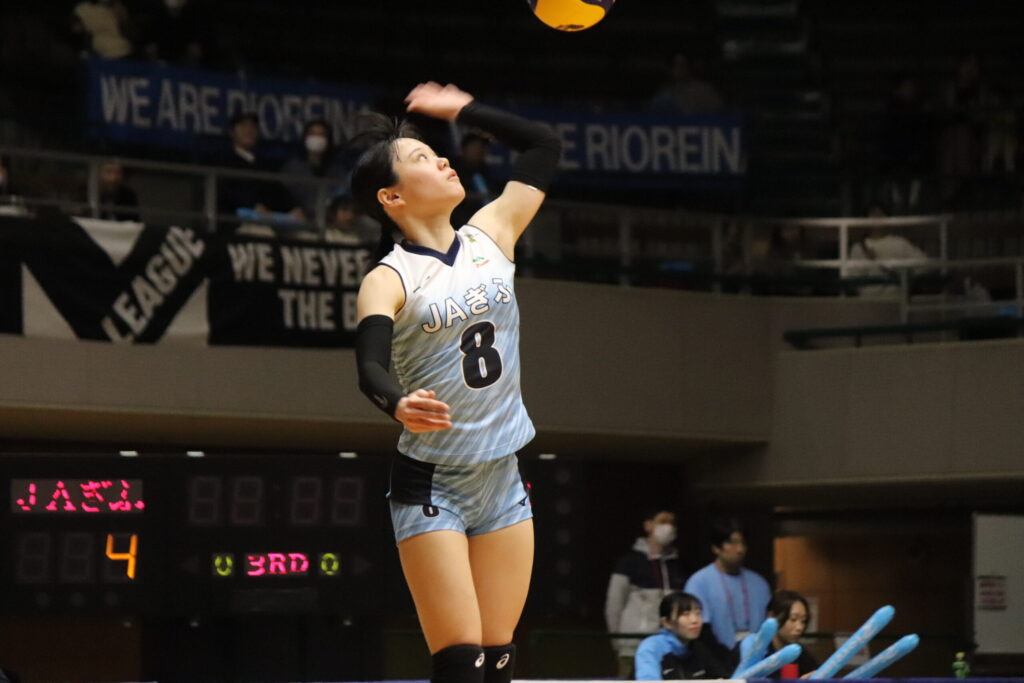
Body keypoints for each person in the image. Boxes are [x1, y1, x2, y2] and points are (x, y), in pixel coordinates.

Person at [351, 82, 561, 683]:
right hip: (432, 482)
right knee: (462, 663)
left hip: (502, 475)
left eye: (437, 151)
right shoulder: (388, 278)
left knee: (499, 661)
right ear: (391, 196)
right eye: (422, 157)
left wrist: (463, 111)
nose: (443, 159)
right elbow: (369, 368)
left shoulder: (492, 232)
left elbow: (543, 143)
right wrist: (398, 403)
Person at [605, 508, 685, 678]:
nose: (669, 527)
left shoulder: (677, 565)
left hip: (667, 648)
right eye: (663, 521)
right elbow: (614, 606)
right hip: (633, 648)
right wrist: (619, 643)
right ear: (648, 526)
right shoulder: (628, 563)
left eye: (672, 523)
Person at [684, 519, 772, 650]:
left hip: (757, 655)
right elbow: (701, 632)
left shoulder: (759, 584)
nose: (740, 549)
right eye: (732, 543)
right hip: (715, 656)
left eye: (742, 543)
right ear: (716, 548)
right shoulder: (699, 582)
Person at [217, 111, 302, 233]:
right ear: (232, 132)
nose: (248, 130)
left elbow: (278, 191)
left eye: (252, 126)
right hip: (234, 223)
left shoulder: (264, 165)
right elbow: (228, 193)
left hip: (268, 222)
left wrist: (293, 208)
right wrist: (253, 206)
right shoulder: (224, 162)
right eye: (243, 125)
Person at [634, 592, 736, 680]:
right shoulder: (652, 648)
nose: (694, 620)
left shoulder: (699, 649)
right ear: (666, 622)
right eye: (685, 614)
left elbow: (722, 677)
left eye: (698, 613)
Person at [848, 204, 928, 297]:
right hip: (868, 300)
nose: (877, 219)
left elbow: (925, 265)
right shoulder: (858, 248)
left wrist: (905, 278)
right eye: (873, 215)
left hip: (895, 298)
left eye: (880, 215)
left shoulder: (900, 243)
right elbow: (853, 279)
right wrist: (866, 261)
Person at [282, 119, 349, 220]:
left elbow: (342, 196)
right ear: (305, 137)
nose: (317, 138)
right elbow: (284, 195)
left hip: (330, 221)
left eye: (321, 134)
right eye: (313, 133)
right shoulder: (292, 167)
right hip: (298, 220)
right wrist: (293, 209)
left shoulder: (337, 170)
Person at [649, 52, 724, 116]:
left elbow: (720, 113)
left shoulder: (704, 90)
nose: (679, 69)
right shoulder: (664, 90)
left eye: (682, 65)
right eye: (675, 65)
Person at [765, 590, 819, 679]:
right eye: (793, 619)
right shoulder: (755, 652)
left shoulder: (801, 655)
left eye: (803, 621)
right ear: (772, 616)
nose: (799, 627)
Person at [71, 0, 135, 59]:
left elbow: (76, 29)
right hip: (123, 49)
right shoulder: (83, 9)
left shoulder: (82, 9)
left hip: (109, 52)